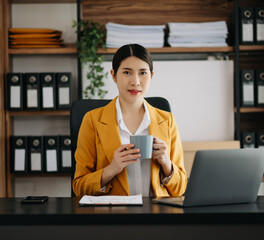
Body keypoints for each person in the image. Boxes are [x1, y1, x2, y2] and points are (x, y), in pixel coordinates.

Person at [72, 44, 187, 197]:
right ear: (113, 75)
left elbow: (181, 189)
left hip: (157, 214)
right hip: (114, 214)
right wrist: (112, 168)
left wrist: (166, 163)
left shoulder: (167, 120)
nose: (136, 82)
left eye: (143, 73)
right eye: (127, 72)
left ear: (151, 76)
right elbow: (79, 187)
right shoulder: (93, 120)